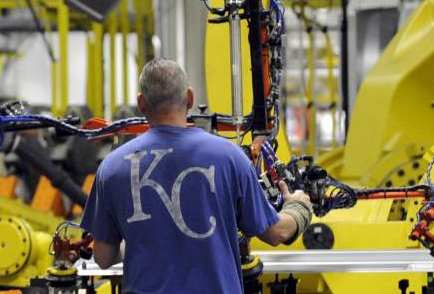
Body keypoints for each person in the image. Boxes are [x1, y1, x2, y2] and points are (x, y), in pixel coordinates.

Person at [81, 58, 313, 293]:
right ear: (190, 98)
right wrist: (298, 208)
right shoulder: (230, 158)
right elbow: (277, 233)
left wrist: (139, 241)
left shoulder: (111, 168)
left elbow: (103, 256)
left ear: (141, 103)